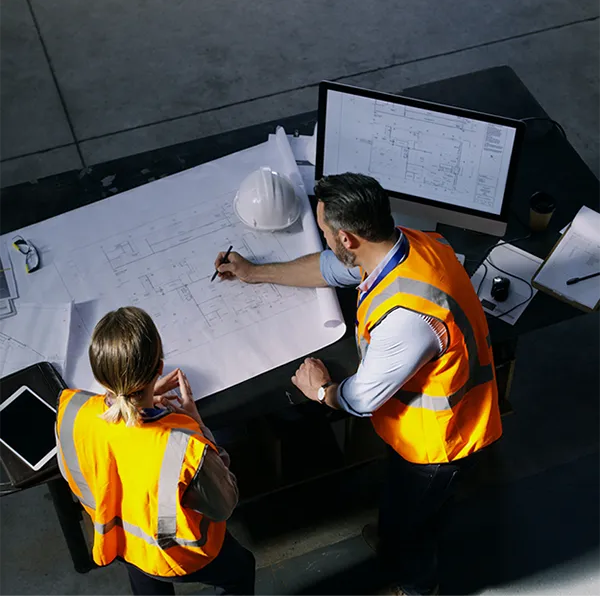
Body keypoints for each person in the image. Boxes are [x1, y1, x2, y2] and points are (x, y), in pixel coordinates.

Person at [214, 172, 502, 596]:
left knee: (415, 523)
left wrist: (319, 389)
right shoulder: (409, 244)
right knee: (404, 507)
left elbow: (360, 399)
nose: (324, 239)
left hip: (442, 442)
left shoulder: (409, 319)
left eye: (326, 232)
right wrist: (254, 273)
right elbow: (331, 268)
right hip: (430, 427)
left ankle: (416, 585)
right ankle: (395, 542)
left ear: (348, 238)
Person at [55, 306, 255, 596]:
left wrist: (140, 401)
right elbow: (224, 504)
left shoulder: (72, 411)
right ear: (159, 367)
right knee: (240, 571)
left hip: (122, 543)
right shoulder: (184, 447)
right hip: (177, 557)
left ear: (100, 377)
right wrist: (196, 424)